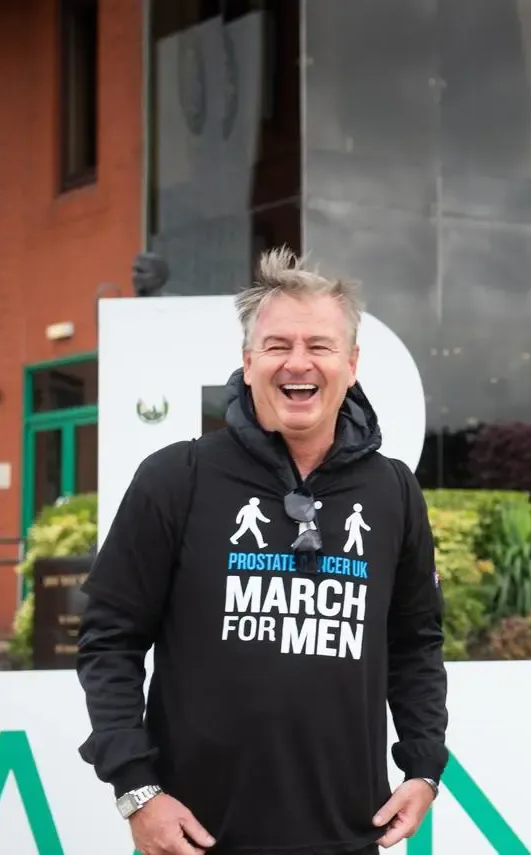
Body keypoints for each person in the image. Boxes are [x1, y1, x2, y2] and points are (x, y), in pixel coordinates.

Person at [75, 248, 449, 855]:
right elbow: (109, 640)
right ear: (247, 363)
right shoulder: (177, 478)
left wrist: (424, 766)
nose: (297, 362)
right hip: (197, 840)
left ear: (351, 364)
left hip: (349, 836)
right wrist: (137, 789)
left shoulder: (394, 490)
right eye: (277, 345)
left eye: (319, 346)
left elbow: (414, 645)